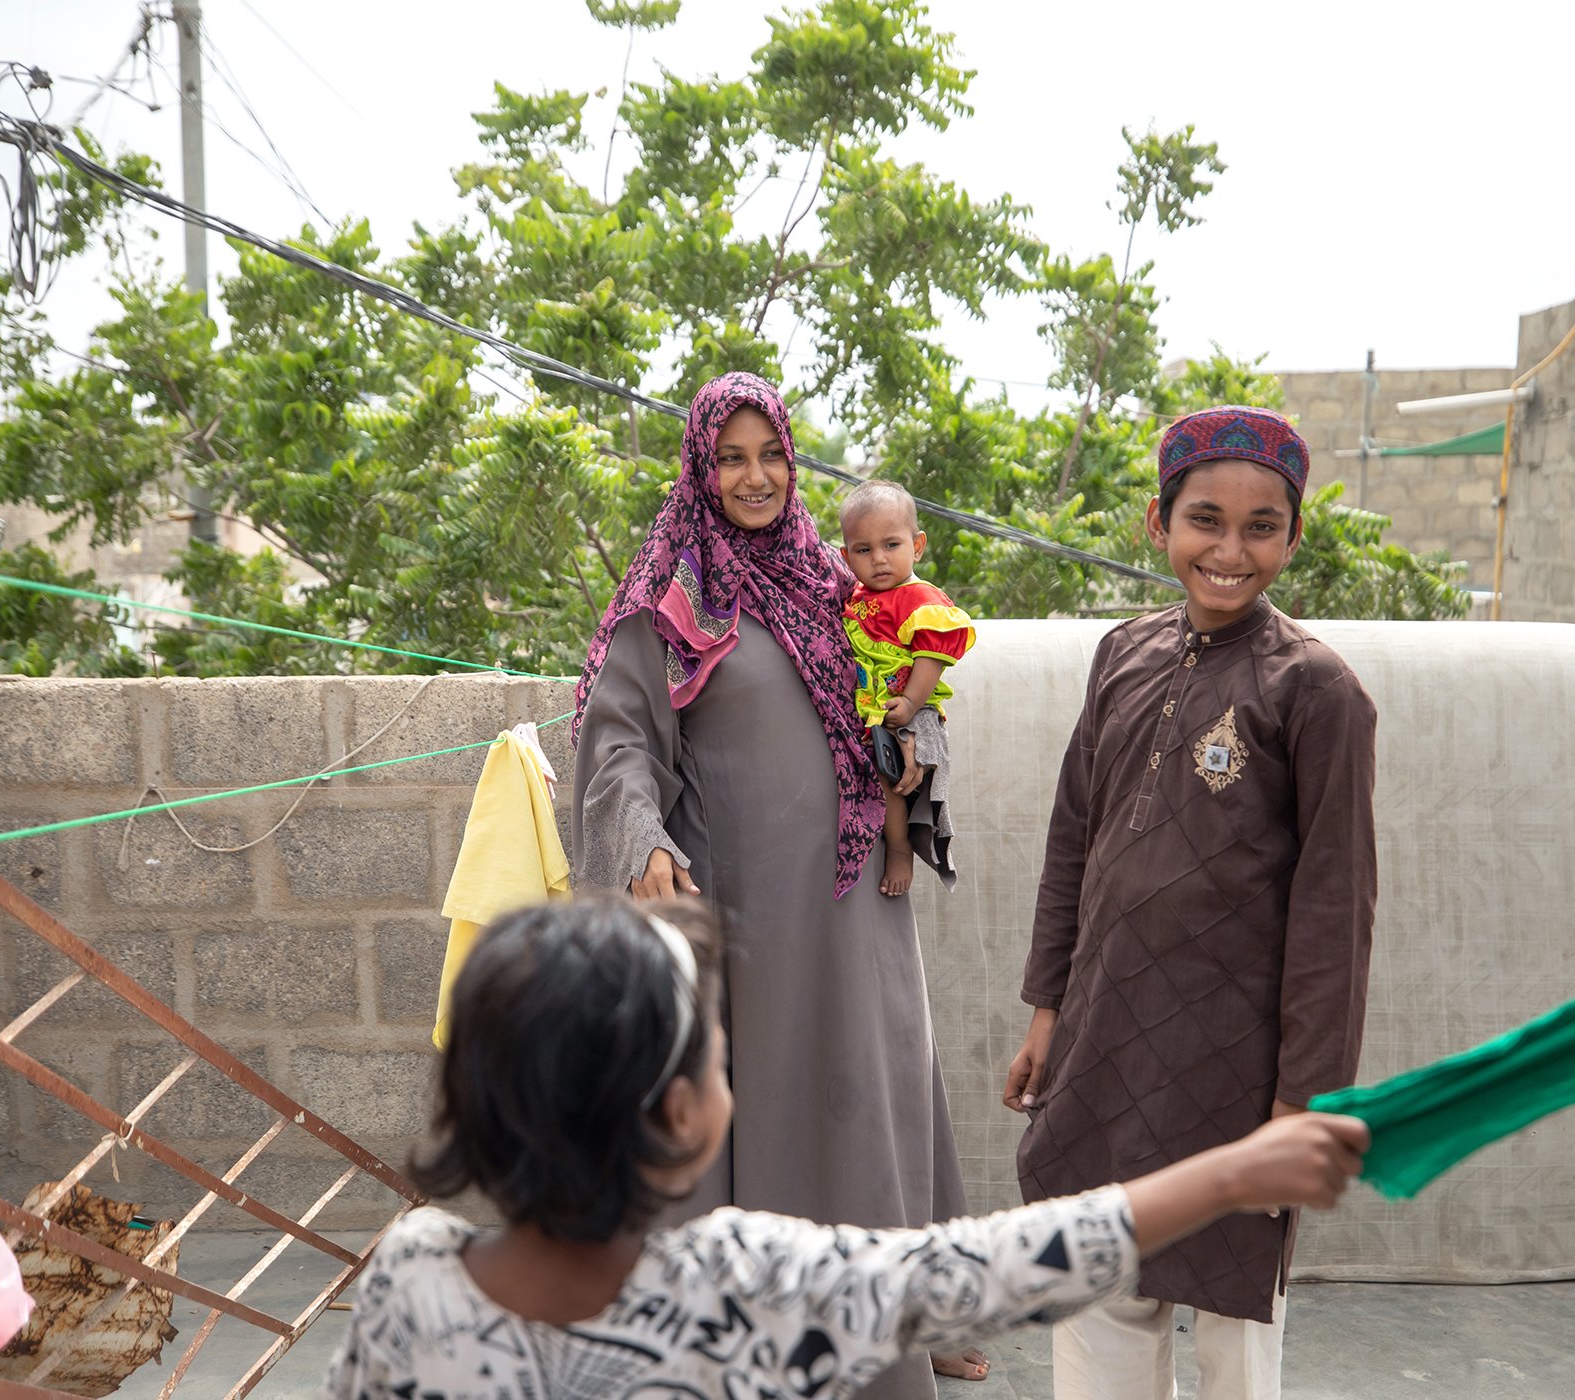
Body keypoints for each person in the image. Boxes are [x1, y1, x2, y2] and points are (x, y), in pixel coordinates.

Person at [323, 897, 1372, 1400]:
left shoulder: (407, 1281)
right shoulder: (743, 1282)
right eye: (719, 1054)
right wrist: (1241, 1169)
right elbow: (987, 1269)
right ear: (682, 1113)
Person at [570, 372, 978, 1392]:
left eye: (772, 455)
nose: (755, 476)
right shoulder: (670, 596)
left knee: (869, 1100)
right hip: (748, 921)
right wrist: (640, 842)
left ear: (795, 462)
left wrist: (917, 742)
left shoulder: (838, 583)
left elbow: (907, 691)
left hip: (857, 906)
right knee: (771, 1115)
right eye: (732, 457)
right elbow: (617, 739)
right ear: (701, 469)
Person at [1004, 405, 1379, 1400]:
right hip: (1105, 1043)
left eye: (1263, 526)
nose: (1230, 548)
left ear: (1295, 538)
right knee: (1102, 1280)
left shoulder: (1318, 691)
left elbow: (1336, 912)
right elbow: (1072, 841)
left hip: (1238, 1069)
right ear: (1157, 522)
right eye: (1205, 518)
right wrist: (1048, 1013)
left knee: (1234, 1326)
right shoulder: (1122, 653)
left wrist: (1305, 1098)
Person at [838, 479, 975, 897]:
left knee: (891, 779)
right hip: (870, 705)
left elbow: (931, 656)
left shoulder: (922, 599)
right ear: (846, 557)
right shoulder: (855, 596)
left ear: (917, 546)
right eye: (864, 550)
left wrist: (912, 702)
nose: (878, 559)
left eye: (891, 545)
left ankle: (899, 849)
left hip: (907, 708)